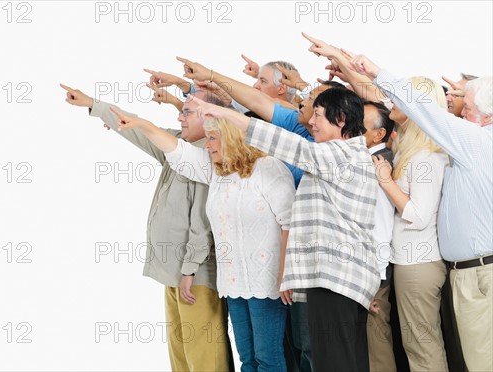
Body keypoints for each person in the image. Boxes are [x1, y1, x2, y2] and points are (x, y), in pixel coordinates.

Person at [177, 56, 380, 371]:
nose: (310, 121)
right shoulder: (339, 155)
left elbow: (288, 145)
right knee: (341, 361)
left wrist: (220, 112)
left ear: (341, 119)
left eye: (319, 116)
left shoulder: (340, 154)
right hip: (332, 280)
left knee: (333, 363)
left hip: (337, 279)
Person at [60, 83, 233, 371]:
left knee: (204, 357)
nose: (180, 116)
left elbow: (204, 223)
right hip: (175, 272)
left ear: (210, 116)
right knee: (181, 356)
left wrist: (189, 269)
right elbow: (142, 130)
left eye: (187, 111)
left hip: (196, 276)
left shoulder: (208, 156)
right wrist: (93, 104)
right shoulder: (180, 144)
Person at [112, 108, 295, 372]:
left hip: (267, 283)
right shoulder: (217, 171)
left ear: (231, 136)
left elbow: (289, 223)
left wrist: (285, 275)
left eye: (212, 138)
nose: (206, 145)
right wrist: (143, 123)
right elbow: (178, 151)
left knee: (268, 359)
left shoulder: (269, 169)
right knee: (248, 360)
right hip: (233, 284)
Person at [348, 54, 492, 372]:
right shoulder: (450, 150)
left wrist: (386, 182)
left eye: (466, 107)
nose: (459, 112)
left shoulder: (463, 147)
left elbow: (419, 214)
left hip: (443, 268)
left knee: (431, 351)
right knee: (446, 351)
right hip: (456, 270)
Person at [372, 76, 450, 372]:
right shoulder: (413, 150)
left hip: (419, 264)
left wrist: (386, 182)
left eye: (400, 96)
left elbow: (418, 215)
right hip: (410, 262)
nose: (392, 100)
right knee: (417, 345)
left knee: (422, 347)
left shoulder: (427, 157)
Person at [363, 101, 397, 372]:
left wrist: (373, 277)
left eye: (359, 124)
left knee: (377, 343)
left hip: (375, 271)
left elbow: (381, 224)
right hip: (368, 269)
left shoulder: (381, 162)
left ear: (379, 134)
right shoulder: (367, 160)